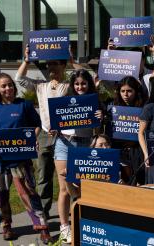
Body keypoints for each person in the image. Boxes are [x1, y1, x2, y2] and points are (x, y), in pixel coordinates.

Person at [15, 45, 83, 218]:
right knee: (43, 174)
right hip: (46, 134)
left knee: (68, 174)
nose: (51, 67)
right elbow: (19, 78)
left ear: (62, 66)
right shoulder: (40, 86)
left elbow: (88, 78)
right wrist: (26, 60)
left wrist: (72, 62)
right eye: (48, 64)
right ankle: (44, 211)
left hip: (66, 135)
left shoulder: (70, 86)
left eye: (54, 64)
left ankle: (74, 209)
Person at [0, 73, 52, 244]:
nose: (8, 88)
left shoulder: (24, 105)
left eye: (10, 85)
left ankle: (42, 227)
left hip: (21, 158)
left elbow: (36, 125)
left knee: (29, 192)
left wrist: (32, 140)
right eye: (3, 86)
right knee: (1, 194)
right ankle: (6, 226)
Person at [54, 69, 102, 244]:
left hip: (85, 144)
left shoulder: (94, 102)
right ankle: (64, 227)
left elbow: (98, 132)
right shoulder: (64, 102)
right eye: (76, 84)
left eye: (83, 83)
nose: (80, 86)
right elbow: (56, 124)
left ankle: (83, 224)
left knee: (83, 188)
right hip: (64, 145)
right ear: (72, 85)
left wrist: (100, 118)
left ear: (88, 84)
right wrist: (54, 127)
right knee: (65, 189)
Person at [104, 76, 146, 184]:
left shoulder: (144, 107)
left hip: (137, 151)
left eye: (129, 91)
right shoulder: (112, 107)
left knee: (140, 181)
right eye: (122, 91)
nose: (125, 95)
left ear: (136, 91)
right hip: (119, 150)